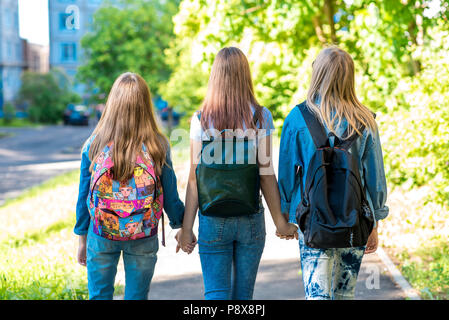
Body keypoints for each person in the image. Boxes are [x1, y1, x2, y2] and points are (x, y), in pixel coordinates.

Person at [176, 47, 298, 300]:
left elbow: (194, 177)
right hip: (250, 218)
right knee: (244, 298)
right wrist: (281, 223)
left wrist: (187, 228)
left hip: (212, 218)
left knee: (216, 295)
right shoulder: (260, 116)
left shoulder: (201, 119)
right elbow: (266, 174)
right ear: (246, 75)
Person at [278, 46, 389, 300]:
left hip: (312, 222)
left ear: (317, 74)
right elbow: (375, 178)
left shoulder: (298, 118)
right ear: (350, 77)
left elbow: (285, 174)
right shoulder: (366, 120)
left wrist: (284, 215)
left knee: (318, 296)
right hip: (355, 220)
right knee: (344, 295)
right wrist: (376, 222)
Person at [74, 72, 185, 300]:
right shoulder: (157, 144)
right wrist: (181, 225)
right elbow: (171, 195)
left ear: (112, 104)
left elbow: (83, 196)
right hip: (143, 233)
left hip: (101, 232)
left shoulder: (94, 145)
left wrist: (82, 238)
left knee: (99, 296)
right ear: (145, 105)